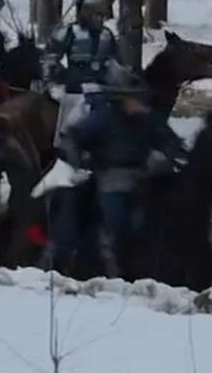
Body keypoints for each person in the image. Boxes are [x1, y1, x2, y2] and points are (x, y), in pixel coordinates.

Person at [55, 81, 187, 277]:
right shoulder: (103, 119)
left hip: (142, 180)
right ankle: (112, 269)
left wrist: (177, 155)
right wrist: (79, 161)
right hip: (110, 180)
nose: (141, 104)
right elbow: (72, 138)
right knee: (117, 225)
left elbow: (168, 140)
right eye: (136, 99)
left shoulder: (147, 119)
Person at [46, 0, 122, 137]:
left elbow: (114, 61)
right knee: (70, 127)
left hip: (102, 87)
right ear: (85, 14)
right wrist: (59, 74)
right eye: (95, 15)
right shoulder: (69, 33)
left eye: (101, 15)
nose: (99, 19)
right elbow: (50, 59)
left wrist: (121, 77)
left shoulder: (107, 35)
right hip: (75, 89)